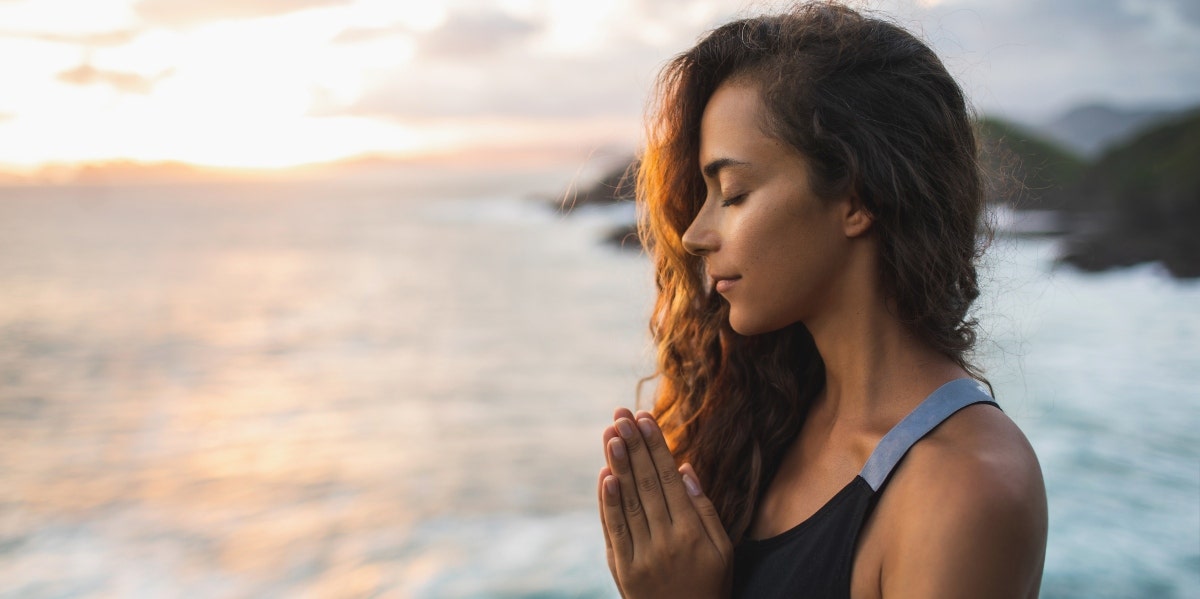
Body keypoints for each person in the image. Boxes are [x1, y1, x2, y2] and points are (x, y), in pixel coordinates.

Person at [595, 3, 1048, 598]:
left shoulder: (963, 486)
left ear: (857, 199)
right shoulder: (768, 417)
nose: (694, 234)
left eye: (732, 193)